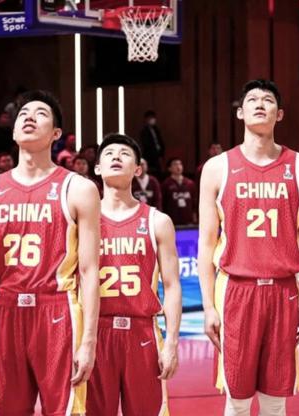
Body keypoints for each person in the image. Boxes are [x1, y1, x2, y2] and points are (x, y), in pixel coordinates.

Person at [198, 79, 299, 415]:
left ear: (279, 114)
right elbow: (206, 243)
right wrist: (208, 307)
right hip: (236, 291)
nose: (260, 104)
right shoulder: (217, 168)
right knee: (236, 399)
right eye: (252, 99)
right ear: (240, 113)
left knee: (275, 401)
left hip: (283, 290)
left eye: (268, 100)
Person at [0, 90, 100, 415]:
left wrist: (89, 341)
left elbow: (90, 271)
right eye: (23, 114)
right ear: (13, 131)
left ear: (56, 134)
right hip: (4, 310)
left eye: (40, 114)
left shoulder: (79, 188)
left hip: (57, 310)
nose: (29, 117)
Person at [86, 133, 181, 416]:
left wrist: (172, 343)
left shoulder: (157, 221)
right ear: (97, 168)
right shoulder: (82, 221)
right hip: (95, 332)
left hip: (142, 333)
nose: (116, 156)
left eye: (125, 153)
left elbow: (172, 286)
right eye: (109, 153)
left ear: (138, 169)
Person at [161, 158, 197, 225]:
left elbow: (194, 202)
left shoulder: (190, 183)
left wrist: (195, 218)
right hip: (172, 221)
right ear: (169, 168)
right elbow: (163, 203)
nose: (178, 166)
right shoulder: (166, 184)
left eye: (180, 164)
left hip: (188, 220)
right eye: (175, 164)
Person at [139, 110, 165, 178]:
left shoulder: (156, 129)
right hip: (149, 155)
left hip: (158, 154)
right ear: (146, 119)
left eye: (153, 118)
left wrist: (161, 152)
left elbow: (160, 141)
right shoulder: (144, 131)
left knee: (159, 172)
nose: (152, 120)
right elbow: (146, 144)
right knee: (151, 172)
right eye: (150, 118)